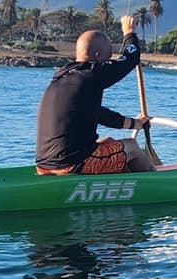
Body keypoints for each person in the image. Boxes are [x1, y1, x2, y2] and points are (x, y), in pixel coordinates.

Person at [35, 15, 162, 175]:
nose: (107, 64)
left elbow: (100, 115)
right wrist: (129, 33)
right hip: (75, 164)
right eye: (107, 60)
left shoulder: (61, 78)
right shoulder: (91, 74)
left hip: (44, 166)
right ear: (97, 56)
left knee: (109, 142)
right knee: (133, 147)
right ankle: (156, 185)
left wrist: (134, 123)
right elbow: (130, 59)